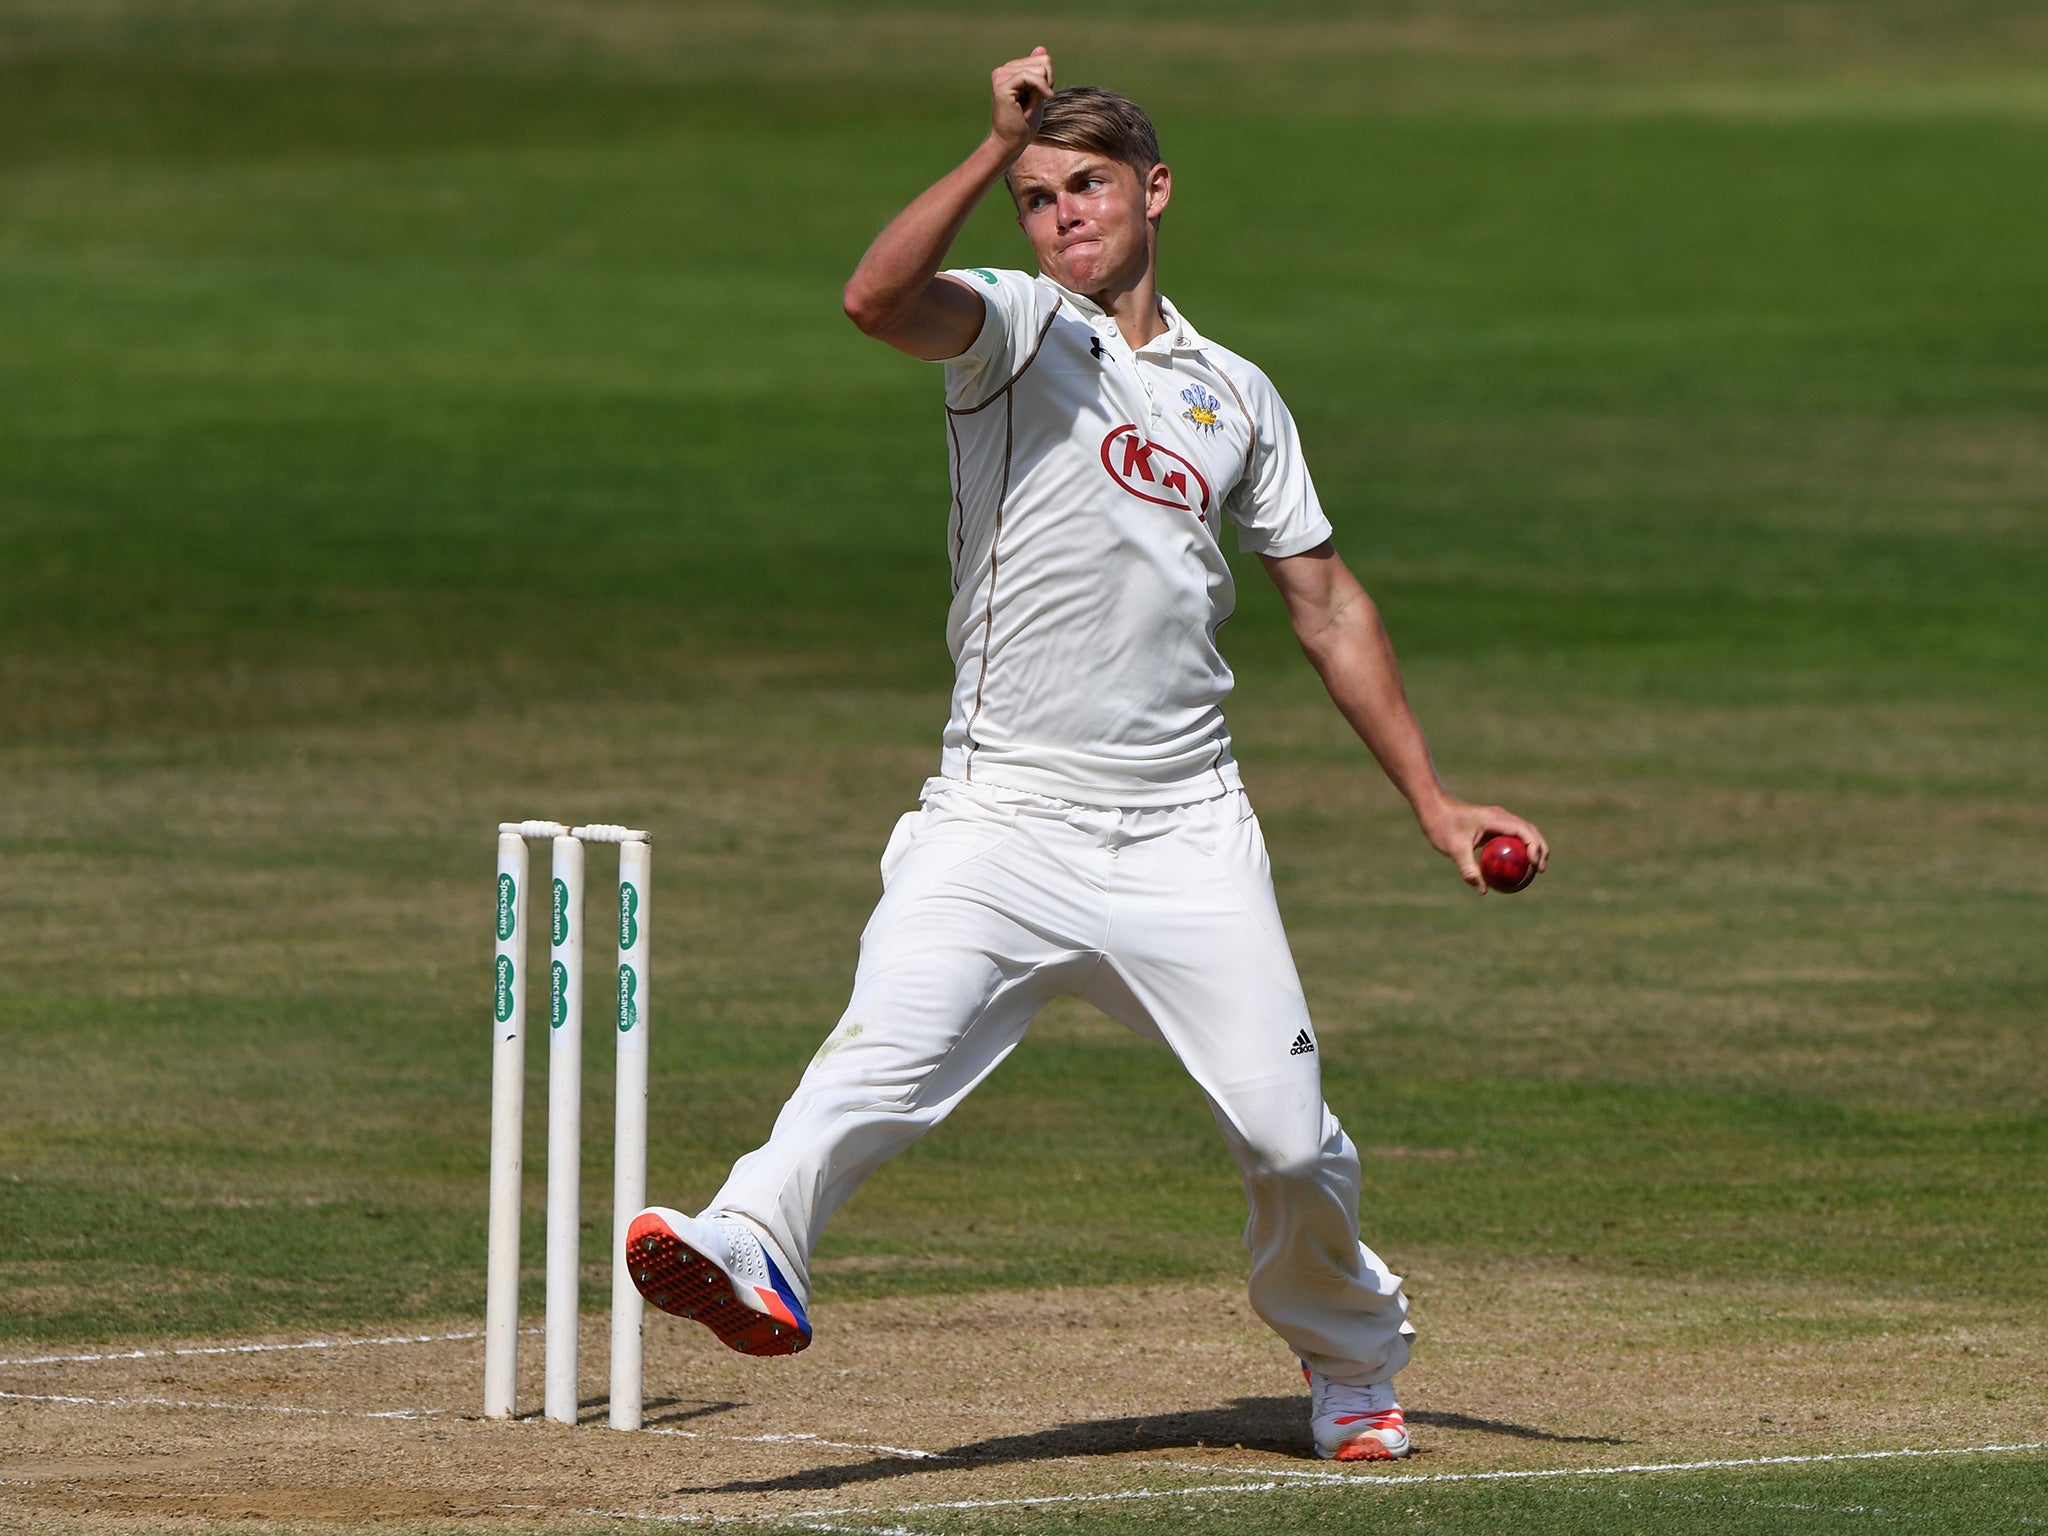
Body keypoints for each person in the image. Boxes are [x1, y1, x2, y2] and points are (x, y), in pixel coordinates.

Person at [627, 46, 1548, 1463]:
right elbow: (876, 300)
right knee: (875, 1059)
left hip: (1184, 831)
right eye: (1039, 195)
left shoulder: (1236, 391)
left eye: (1087, 187)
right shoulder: (1012, 330)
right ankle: (749, 1244)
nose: (1061, 215)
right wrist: (986, 149)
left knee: (1292, 1145)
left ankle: (1356, 1362)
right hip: (997, 817)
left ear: (1155, 190)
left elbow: (1325, 600)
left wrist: (1432, 802)